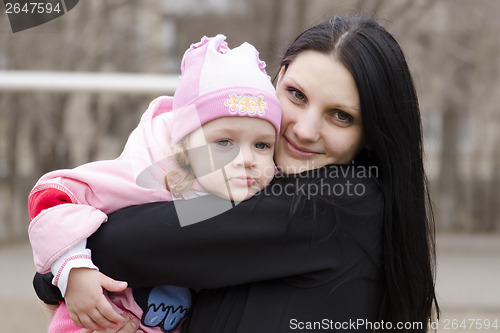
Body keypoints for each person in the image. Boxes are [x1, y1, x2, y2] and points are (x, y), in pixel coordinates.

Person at [35, 15, 439, 333]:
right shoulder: (247, 184)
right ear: (274, 82)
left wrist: (64, 266)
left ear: (371, 136)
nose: (303, 129)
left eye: (340, 116)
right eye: (296, 95)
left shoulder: (341, 200)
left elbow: (119, 243)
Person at [28, 34, 281, 333]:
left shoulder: (267, 204)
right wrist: (74, 268)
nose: (247, 158)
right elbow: (52, 198)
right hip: (96, 321)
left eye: (262, 145)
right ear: (185, 146)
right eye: (224, 142)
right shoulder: (143, 174)